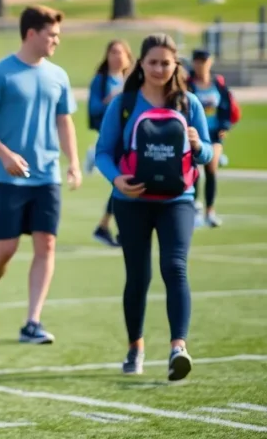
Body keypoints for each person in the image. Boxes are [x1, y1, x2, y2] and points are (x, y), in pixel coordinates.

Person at [94, 33, 212, 380]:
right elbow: (104, 152)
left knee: (175, 268)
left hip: (178, 200)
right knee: (138, 276)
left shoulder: (188, 103)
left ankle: (179, 348)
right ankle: (136, 347)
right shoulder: (124, 103)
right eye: (153, 62)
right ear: (141, 64)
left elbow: (205, 152)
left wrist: (197, 144)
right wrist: (117, 181)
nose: (159, 68)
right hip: (131, 202)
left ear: (176, 64)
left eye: (166, 62)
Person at [0, 6, 81, 344]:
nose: (56, 42)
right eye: (51, 35)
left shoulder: (58, 75)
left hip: (47, 176)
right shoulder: (1, 73)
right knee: (6, 248)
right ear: (31, 33)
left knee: (46, 244)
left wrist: (73, 161)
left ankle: (32, 322)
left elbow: (64, 120)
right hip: (8, 178)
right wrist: (4, 155)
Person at [85, 40, 133, 247]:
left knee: (125, 184)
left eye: (120, 52)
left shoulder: (132, 81)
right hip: (112, 140)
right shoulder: (101, 80)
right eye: (113, 52)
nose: (117, 56)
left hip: (130, 139)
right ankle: (116, 229)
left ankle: (106, 227)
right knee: (122, 182)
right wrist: (113, 99)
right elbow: (93, 108)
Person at [187, 48, 232, 228]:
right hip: (194, 133)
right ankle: (194, 208)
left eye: (204, 60)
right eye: (197, 61)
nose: (201, 64)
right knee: (195, 170)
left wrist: (224, 127)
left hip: (213, 134)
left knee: (211, 168)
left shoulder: (218, 84)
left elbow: (227, 108)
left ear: (210, 62)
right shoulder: (188, 84)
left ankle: (210, 211)